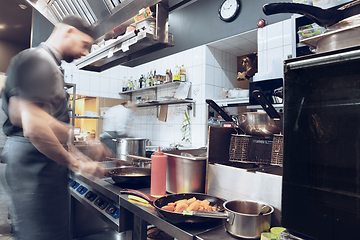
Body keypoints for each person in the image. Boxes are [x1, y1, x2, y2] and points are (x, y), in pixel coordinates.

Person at [1, 15, 111, 240]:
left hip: (37, 167)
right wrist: (77, 163)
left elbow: (34, 118)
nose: (86, 53)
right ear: (68, 32)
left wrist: (83, 143)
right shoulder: (40, 61)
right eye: (85, 45)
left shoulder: (41, 62)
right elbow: (34, 127)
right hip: (35, 169)